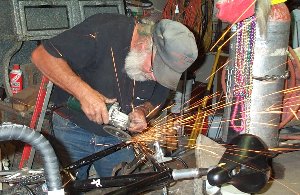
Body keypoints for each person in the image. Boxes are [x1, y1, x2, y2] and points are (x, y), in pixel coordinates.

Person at [31, 13, 198, 186]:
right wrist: (84, 93)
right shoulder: (103, 29)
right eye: (153, 70)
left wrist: (144, 111)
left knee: (124, 187)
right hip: (72, 129)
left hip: (118, 138)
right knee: (64, 188)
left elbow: (159, 95)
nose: (155, 78)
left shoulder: (161, 64)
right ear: (145, 44)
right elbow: (41, 56)